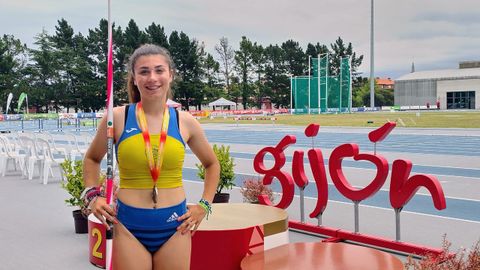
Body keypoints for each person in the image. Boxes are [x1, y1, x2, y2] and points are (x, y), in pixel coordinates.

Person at [82, 44, 220, 270]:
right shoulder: (117, 118)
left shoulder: (185, 121)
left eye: (159, 70)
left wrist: (204, 205)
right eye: (144, 71)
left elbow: (212, 164)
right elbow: (92, 159)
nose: (152, 78)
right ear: (134, 78)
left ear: (170, 74)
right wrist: (92, 196)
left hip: (175, 225)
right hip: (128, 225)